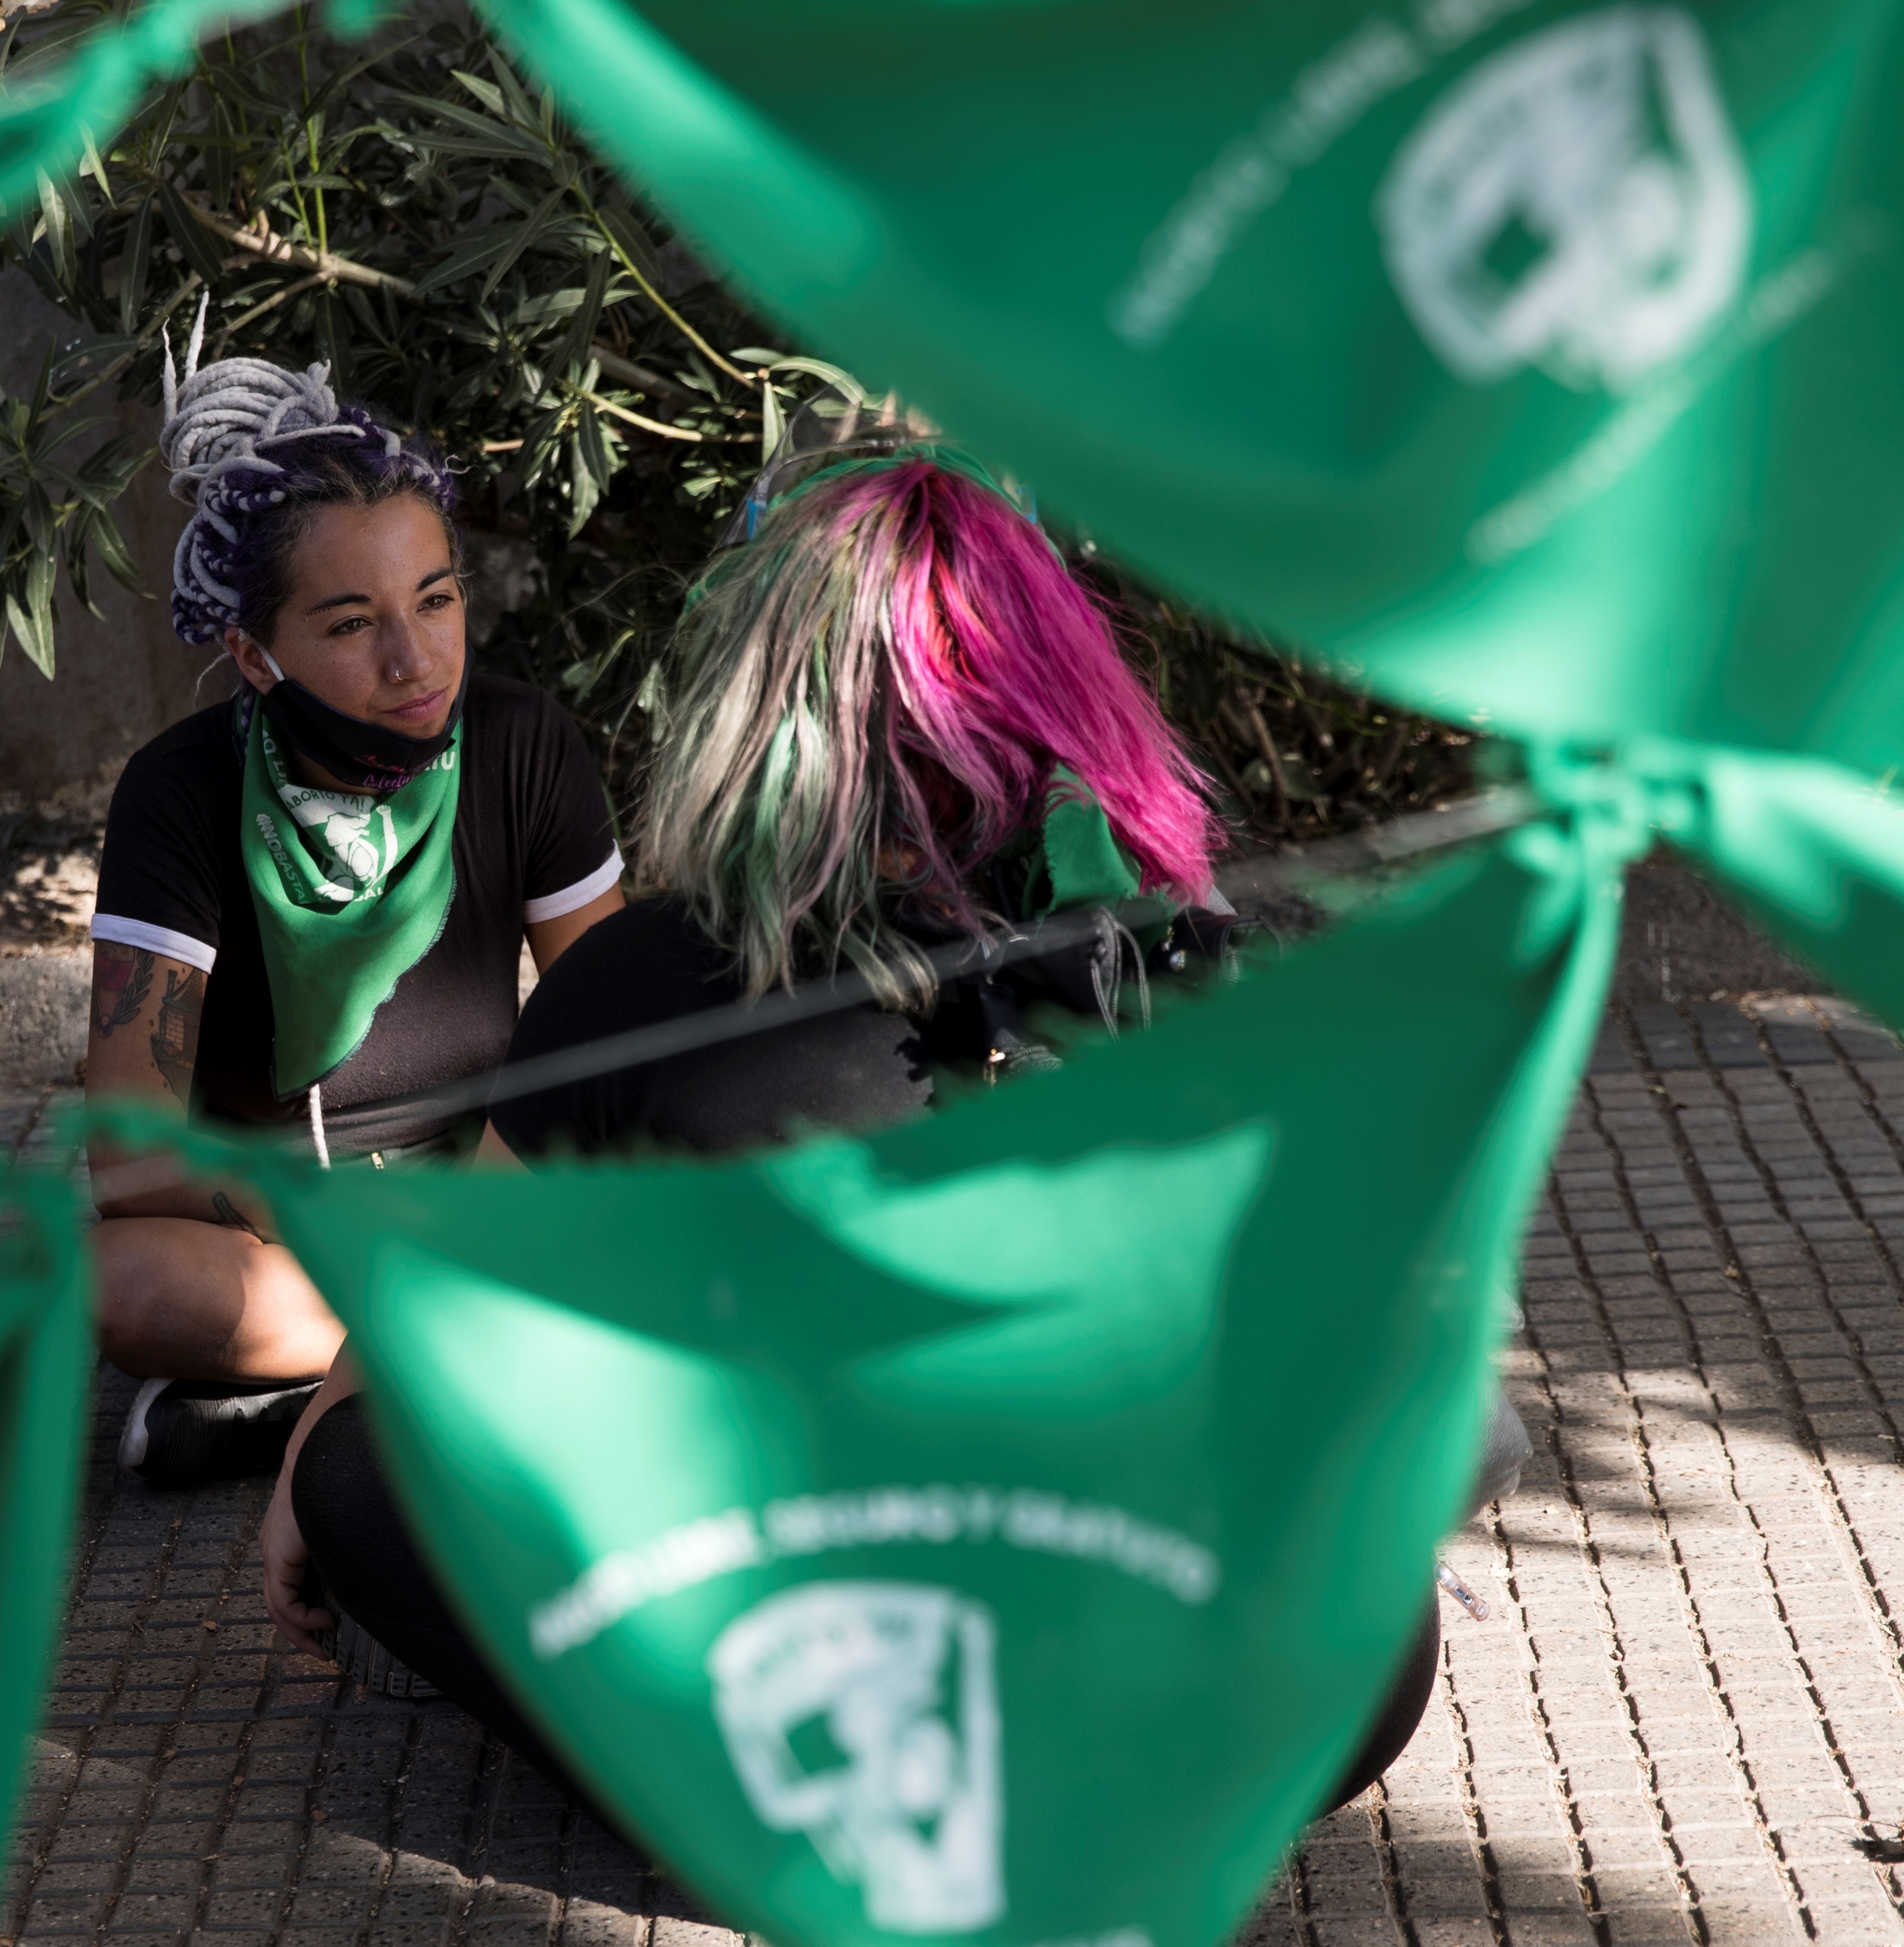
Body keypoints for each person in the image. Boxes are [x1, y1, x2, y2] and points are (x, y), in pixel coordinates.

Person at [262, 446, 1499, 1817]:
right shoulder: (1233, 946)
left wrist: (322, 1459)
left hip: (839, 1699)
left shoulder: (653, 977)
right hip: (1253, 1712)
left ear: (760, 704)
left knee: (367, 1476)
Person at [85, 324, 623, 1485]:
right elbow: (132, 1147)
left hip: (491, 1198)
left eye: (435, 600)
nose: (415, 658)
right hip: (290, 1236)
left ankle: (308, 1401)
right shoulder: (179, 793)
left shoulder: (525, 744)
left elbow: (613, 1026)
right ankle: (459, 1369)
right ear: (252, 651)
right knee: (114, 1280)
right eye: (348, 623)